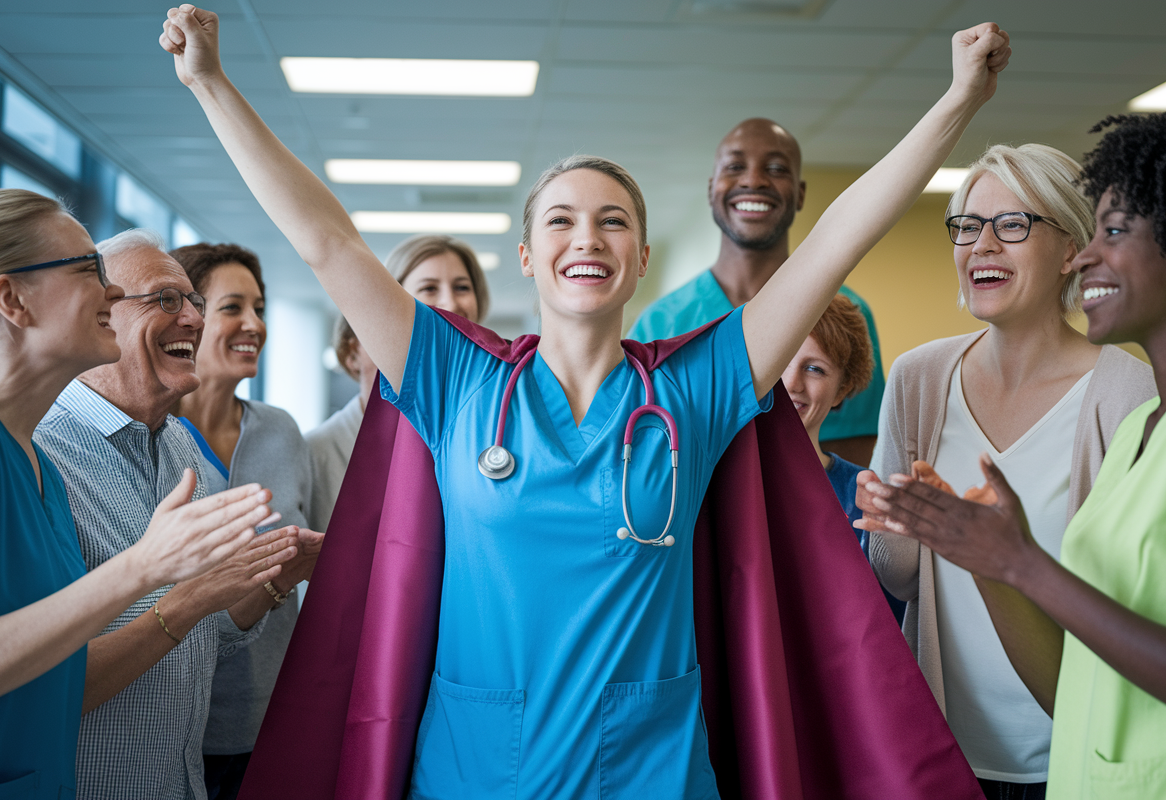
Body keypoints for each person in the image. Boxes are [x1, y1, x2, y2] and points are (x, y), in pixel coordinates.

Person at [162, 6, 1009, 796]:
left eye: (612, 222)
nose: (587, 239)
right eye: (561, 221)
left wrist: (958, 100)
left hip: (651, 767)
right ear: (528, 256)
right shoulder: (456, 379)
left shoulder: (698, 387)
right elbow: (326, 240)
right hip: (477, 765)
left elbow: (835, 241)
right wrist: (210, 83)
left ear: (641, 259)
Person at [860, 109, 1166, 800]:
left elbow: (1115, 611)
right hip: (989, 756)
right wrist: (922, 530)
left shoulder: (1155, 401)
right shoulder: (922, 377)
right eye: (966, 225)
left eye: (1012, 224)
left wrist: (1013, 561)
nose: (980, 244)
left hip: (1094, 759)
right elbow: (914, 584)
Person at [0, 190, 278, 798]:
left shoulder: (28, 452)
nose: (109, 293)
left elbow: (55, 669)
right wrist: (146, 569)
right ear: (12, 300)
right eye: (86, 272)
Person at [32, 229, 318, 800]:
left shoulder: (178, 447)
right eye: (167, 300)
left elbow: (204, 637)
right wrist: (184, 603)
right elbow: (37, 683)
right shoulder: (39, 452)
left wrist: (271, 581)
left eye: (194, 302)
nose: (194, 319)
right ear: (100, 314)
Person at [627, 117, 886, 467]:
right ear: (711, 188)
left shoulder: (845, 310)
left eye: (777, 168)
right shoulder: (660, 323)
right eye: (735, 166)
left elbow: (858, 446)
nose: (753, 180)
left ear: (800, 194)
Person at [168, 241, 324, 799]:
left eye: (259, 308)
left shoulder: (281, 431)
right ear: (185, 315)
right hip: (171, 727)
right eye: (233, 307)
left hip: (271, 719)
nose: (253, 324)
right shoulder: (150, 439)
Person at [308, 234, 490, 531]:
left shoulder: (482, 423)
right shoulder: (318, 452)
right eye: (429, 288)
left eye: (462, 287)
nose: (450, 302)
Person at [782, 292, 905, 624]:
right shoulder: (708, 481)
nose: (791, 383)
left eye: (815, 369)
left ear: (842, 388)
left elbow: (885, 631)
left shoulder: (868, 501)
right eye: (780, 361)